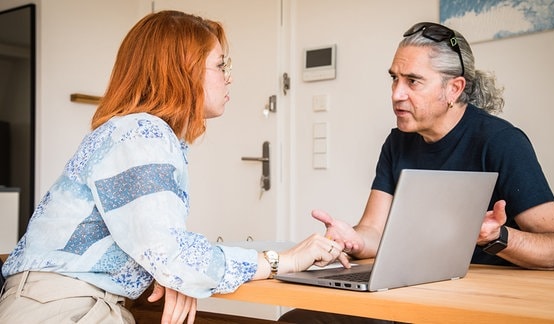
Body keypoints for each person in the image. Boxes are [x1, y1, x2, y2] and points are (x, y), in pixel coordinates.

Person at [0, 11, 342, 324]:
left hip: (66, 303)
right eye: (220, 66)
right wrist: (282, 261)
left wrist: (179, 270)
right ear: (183, 71)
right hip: (64, 309)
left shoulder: (140, 134)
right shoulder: (140, 133)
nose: (229, 78)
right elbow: (173, 255)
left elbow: (168, 251)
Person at [279, 21, 554, 323]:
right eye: (394, 79)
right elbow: (375, 232)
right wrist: (352, 238)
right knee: (298, 320)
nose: (397, 94)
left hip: (483, 304)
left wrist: (495, 236)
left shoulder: (501, 141)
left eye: (413, 81)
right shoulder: (398, 142)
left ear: (454, 88)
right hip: (411, 294)